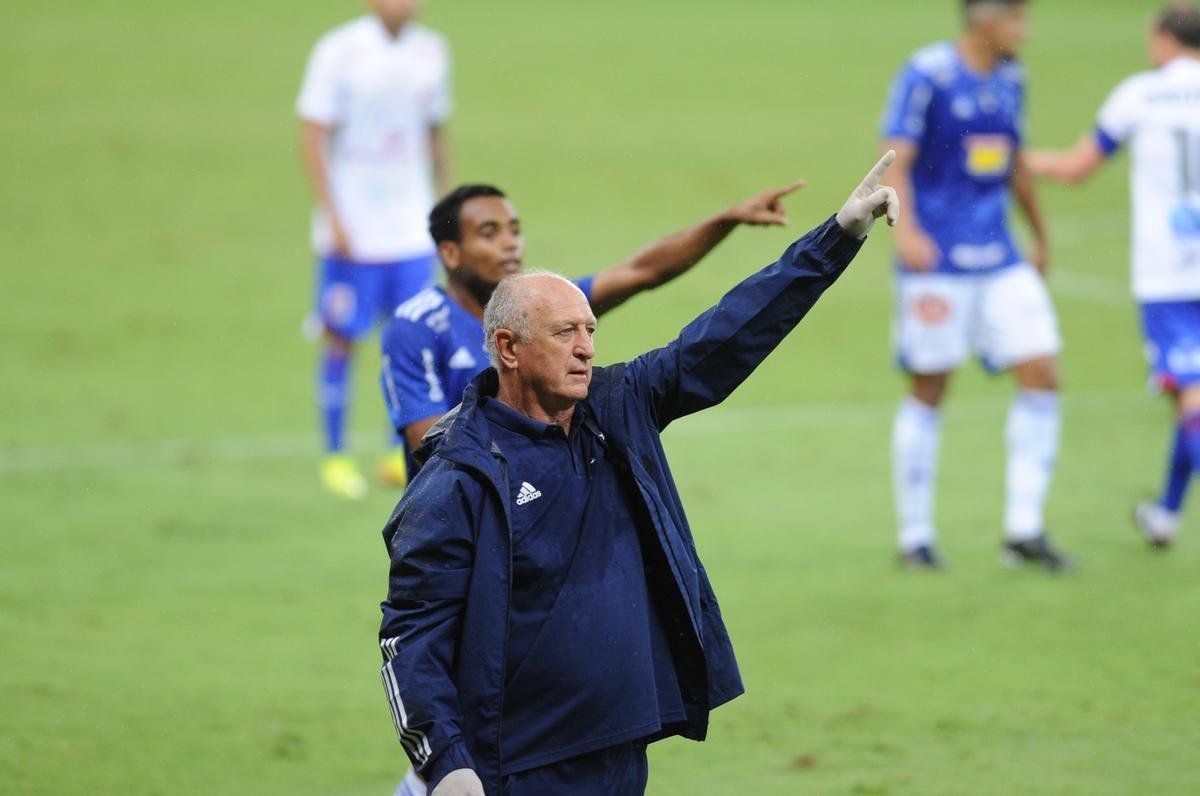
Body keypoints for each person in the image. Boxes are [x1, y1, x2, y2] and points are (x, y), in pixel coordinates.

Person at [377, 154, 898, 796]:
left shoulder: (617, 409)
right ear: (508, 349)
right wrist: (446, 763)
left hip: (620, 747)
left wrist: (837, 237)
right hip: (515, 764)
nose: (587, 347)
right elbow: (411, 635)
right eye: (565, 332)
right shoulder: (459, 475)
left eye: (590, 330)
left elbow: (725, 336)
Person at [381, 180, 806, 464]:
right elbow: (428, 447)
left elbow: (643, 271)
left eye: (514, 229)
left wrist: (725, 220)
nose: (510, 243)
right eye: (489, 233)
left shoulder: (544, 308)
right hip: (463, 517)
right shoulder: (415, 327)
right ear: (451, 254)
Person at [881, 0, 1073, 570]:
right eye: (1018, 19)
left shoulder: (1014, 78)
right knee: (931, 383)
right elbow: (897, 157)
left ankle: (1024, 529)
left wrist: (1038, 234)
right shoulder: (927, 74)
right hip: (938, 259)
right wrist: (906, 230)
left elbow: (1014, 163)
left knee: (1042, 368)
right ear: (985, 20)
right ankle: (914, 537)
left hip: (1001, 258)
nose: (1025, 30)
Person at [1028, 3, 1200, 547]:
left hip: (1169, 275)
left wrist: (1015, 159)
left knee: (1191, 400)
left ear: (1162, 39)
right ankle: (1166, 514)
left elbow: (1077, 168)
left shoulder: (1140, 94)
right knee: (1193, 399)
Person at [297, 0, 451, 499]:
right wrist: (333, 213)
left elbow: (433, 132)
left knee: (410, 334)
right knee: (342, 336)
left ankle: (395, 452)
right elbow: (313, 133)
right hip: (355, 229)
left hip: (410, 226)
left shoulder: (433, 52)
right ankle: (335, 455)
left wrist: (447, 208)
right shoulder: (339, 50)